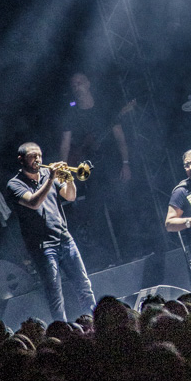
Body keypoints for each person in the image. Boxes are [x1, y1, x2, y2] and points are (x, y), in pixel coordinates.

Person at [6, 141, 96, 322]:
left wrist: (69, 178)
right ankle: (61, 331)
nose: (37, 159)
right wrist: (50, 179)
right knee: (55, 295)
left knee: (84, 285)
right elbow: (33, 202)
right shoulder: (14, 185)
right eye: (32, 156)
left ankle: (94, 322)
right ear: (21, 159)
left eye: (39, 155)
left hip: (65, 239)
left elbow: (70, 196)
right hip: (43, 247)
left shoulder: (48, 174)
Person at [59, 71, 134, 265]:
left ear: (88, 83)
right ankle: (107, 258)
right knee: (96, 212)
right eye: (73, 84)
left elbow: (120, 137)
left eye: (80, 82)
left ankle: (131, 251)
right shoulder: (72, 114)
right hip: (88, 169)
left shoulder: (104, 109)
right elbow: (65, 144)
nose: (77, 86)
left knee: (121, 206)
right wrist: (64, 170)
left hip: (110, 163)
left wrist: (125, 163)